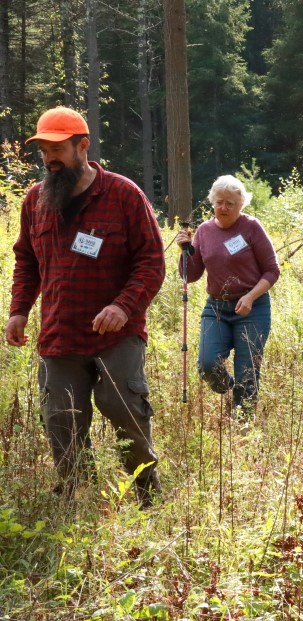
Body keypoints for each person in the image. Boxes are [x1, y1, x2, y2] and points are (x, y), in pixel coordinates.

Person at [5, 107, 165, 506]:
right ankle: (78, 493)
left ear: (82, 146)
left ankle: (146, 493)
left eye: (57, 148)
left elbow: (151, 261)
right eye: (43, 149)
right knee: (61, 417)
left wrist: (123, 307)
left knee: (123, 406)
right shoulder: (35, 200)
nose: (49, 158)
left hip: (117, 334)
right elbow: (26, 260)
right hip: (60, 333)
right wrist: (19, 310)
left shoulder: (124, 194)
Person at [176, 176, 279, 418]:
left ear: (241, 204)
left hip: (252, 308)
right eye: (219, 202)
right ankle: (233, 390)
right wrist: (185, 251)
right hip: (217, 308)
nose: (223, 208)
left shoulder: (251, 227)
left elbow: (272, 270)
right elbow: (190, 276)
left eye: (230, 203)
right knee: (208, 364)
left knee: (248, 370)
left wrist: (251, 297)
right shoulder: (204, 231)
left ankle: (243, 423)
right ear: (212, 202)